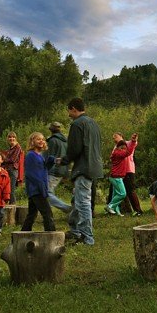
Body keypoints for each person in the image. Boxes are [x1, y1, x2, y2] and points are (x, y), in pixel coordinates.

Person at [58, 97, 103, 246]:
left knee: (83, 202)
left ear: (73, 109)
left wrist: (63, 160)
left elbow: (75, 149)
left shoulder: (77, 124)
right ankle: (75, 230)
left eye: (69, 111)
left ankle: (87, 237)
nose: (68, 114)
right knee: (77, 200)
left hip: (84, 167)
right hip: (94, 166)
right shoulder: (94, 123)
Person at [21, 132, 56, 232]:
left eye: (43, 139)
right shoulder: (31, 155)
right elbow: (31, 174)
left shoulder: (39, 156)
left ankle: (23, 233)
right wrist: (42, 188)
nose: (41, 141)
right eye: (38, 139)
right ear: (32, 141)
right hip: (36, 189)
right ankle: (51, 235)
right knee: (47, 213)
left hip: (37, 189)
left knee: (32, 214)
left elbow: (43, 170)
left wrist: (50, 163)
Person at [44, 122, 72, 213]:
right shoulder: (65, 141)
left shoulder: (52, 141)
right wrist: (66, 173)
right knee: (50, 192)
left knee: (47, 194)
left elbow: (49, 157)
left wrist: (45, 169)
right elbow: (68, 157)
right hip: (62, 169)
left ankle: (67, 208)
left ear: (51, 130)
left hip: (53, 170)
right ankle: (49, 213)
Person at [105, 138, 137, 216]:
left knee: (115, 195)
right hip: (116, 177)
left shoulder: (118, 153)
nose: (123, 150)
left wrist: (131, 143)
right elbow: (128, 152)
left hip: (117, 177)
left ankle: (117, 211)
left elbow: (128, 152)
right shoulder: (117, 153)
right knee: (122, 194)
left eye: (124, 148)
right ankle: (110, 206)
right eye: (121, 148)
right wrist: (133, 142)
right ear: (118, 147)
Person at [122, 132, 144, 216]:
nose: (115, 139)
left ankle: (138, 210)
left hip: (128, 170)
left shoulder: (127, 143)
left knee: (131, 190)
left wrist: (133, 140)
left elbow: (132, 144)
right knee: (117, 191)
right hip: (119, 171)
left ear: (122, 137)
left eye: (116, 137)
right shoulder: (116, 147)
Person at [3, 131, 23, 204]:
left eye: (13, 137)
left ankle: (13, 206)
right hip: (8, 169)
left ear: (15, 138)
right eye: (10, 137)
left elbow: (13, 159)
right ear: (8, 138)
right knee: (8, 189)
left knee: (11, 190)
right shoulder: (10, 148)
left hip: (13, 170)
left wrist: (3, 160)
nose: (12, 138)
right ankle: (9, 205)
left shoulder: (17, 147)